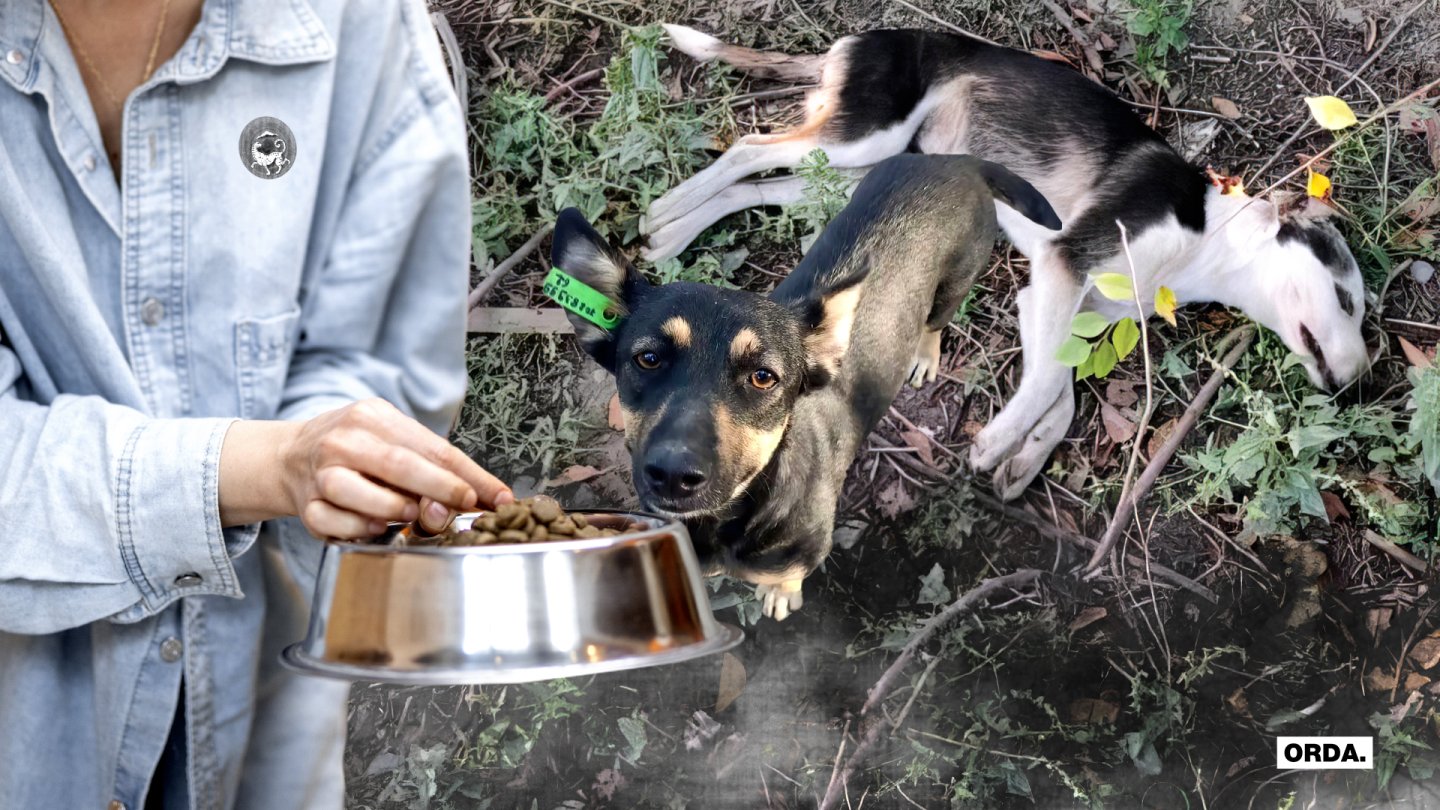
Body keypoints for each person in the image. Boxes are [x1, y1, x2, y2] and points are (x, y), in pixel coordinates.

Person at [0, 0, 512, 807]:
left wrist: (354, 470)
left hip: (265, 740)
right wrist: (260, 467)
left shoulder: (361, 26)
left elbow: (374, 353)